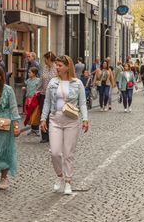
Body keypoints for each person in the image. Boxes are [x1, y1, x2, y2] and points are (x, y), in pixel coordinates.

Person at [40, 55, 89, 195]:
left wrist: (85, 119)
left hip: (71, 120)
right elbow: (47, 102)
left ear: (68, 67)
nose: (57, 67)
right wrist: (43, 119)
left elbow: (83, 103)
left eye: (60, 65)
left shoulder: (78, 83)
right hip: (55, 119)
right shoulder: (52, 83)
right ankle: (59, 175)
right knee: (55, 152)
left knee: (68, 153)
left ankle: (68, 181)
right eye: (56, 65)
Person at [35, 52, 58, 142]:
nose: (44, 60)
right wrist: (36, 91)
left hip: (55, 96)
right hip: (43, 94)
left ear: (49, 59)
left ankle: (53, 135)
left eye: (45, 58)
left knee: (52, 115)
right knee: (43, 115)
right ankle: (44, 136)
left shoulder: (56, 68)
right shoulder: (44, 68)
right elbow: (41, 81)